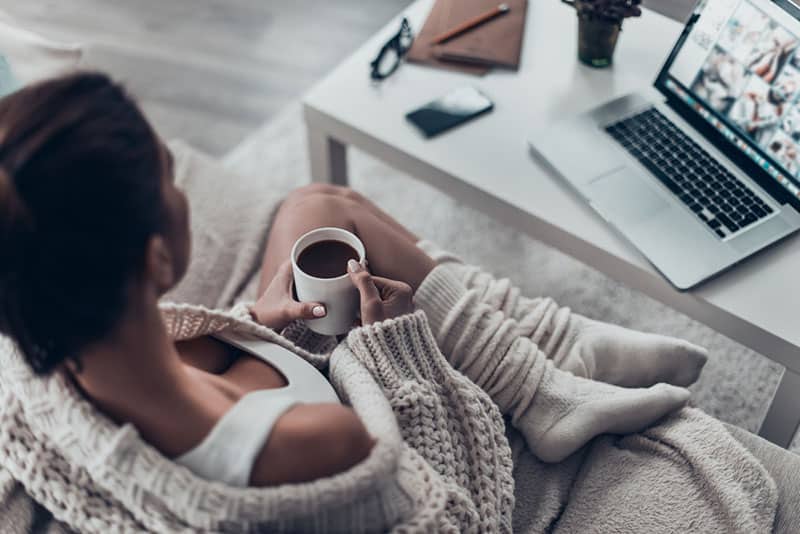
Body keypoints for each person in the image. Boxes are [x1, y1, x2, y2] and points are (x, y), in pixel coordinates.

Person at [0, 72, 798, 532]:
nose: (180, 187)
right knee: (340, 233)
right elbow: (452, 509)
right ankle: (534, 380)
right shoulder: (318, 444)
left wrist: (252, 327)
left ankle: (549, 366)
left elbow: (179, 378)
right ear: (156, 256)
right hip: (378, 412)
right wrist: (393, 350)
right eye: (170, 176)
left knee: (315, 205)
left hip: (276, 375)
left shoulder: (42, 362)